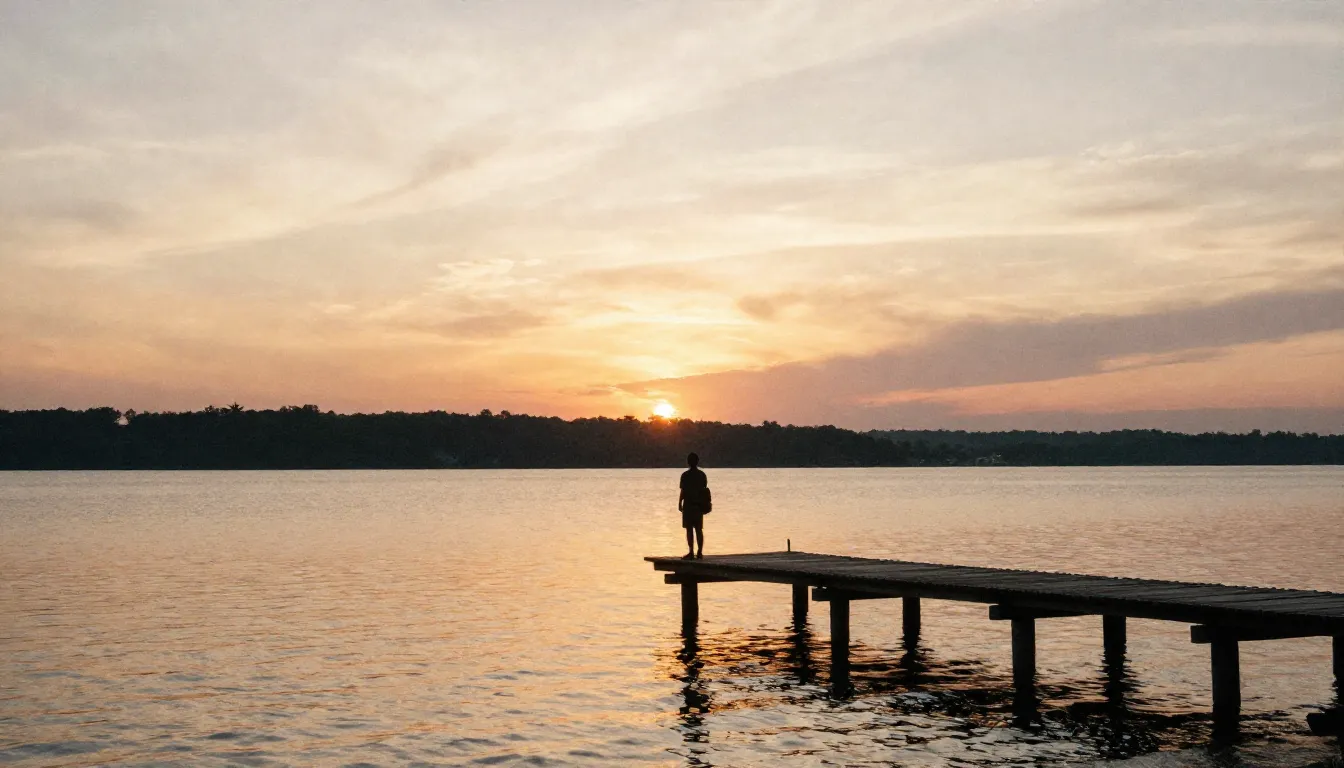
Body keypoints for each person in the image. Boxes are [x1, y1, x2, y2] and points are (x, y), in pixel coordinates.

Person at [678, 452, 711, 559]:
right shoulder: (702, 475)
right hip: (698, 506)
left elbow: (683, 491)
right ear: (697, 462)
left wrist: (679, 503)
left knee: (689, 529)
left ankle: (691, 552)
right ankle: (699, 552)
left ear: (688, 462)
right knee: (698, 529)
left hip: (689, 505)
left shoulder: (685, 475)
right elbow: (704, 489)